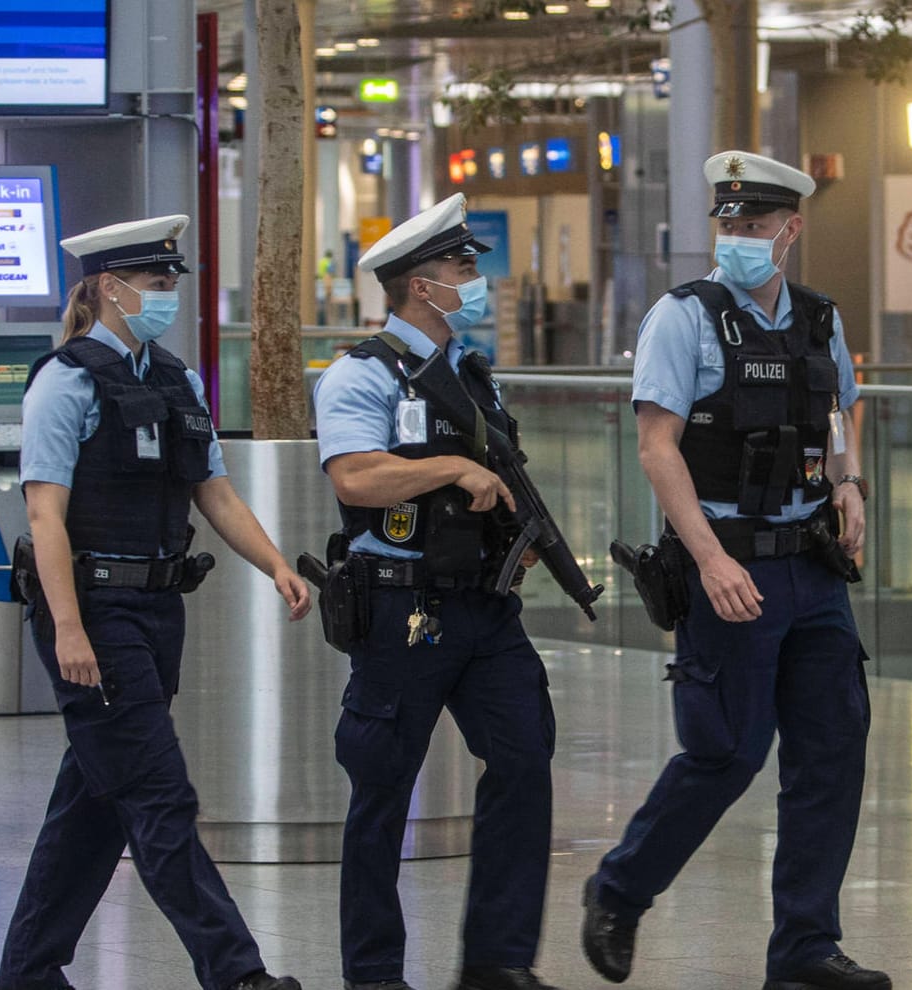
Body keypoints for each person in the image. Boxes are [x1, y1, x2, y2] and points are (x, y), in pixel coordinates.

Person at [581, 151, 888, 990]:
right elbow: (656, 448)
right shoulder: (682, 319)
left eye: (753, 226)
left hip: (812, 571)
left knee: (831, 754)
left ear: (789, 230)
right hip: (729, 568)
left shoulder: (819, 320)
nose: (737, 240)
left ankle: (804, 951)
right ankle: (617, 890)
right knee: (724, 754)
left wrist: (848, 481)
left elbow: (837, 410)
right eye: (728, 224)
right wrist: (709, 558)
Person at [0, 214, 312, 990]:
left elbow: (215, 491)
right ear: (110, 288)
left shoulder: (176, 380)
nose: (169, 293)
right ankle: (236, 972)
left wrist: (275, 563)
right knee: (159, 798)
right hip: (95, 616)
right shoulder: (65, 382)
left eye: (172, 281)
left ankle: (28, 973)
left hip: (156, 614)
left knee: (96, 800)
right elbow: (45, 519)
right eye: (156, 282)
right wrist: (69, 630)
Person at [312, 192, 560, 990]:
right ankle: (375, 972)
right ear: (420, 284)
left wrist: (513, 544)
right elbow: (355, 478)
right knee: (382, 790)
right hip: (401, 608)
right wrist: (452, 468)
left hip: (486, 609)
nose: (471, 277)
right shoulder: (359, 373)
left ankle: (496, 960)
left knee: (524, 762)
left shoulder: (471, 375)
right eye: (460, 266)